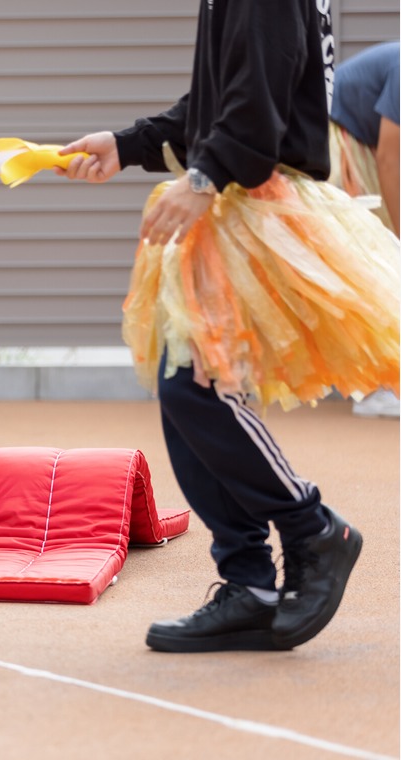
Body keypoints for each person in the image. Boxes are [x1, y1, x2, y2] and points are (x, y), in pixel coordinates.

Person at [56, 2, 398, 652]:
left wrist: (206, 175)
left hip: (259, 205)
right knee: (185, 391)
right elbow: (223, 99)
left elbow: (257, 98)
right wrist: (128, 144)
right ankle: (251, 584)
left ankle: (311, 528)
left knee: (196, 390)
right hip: (248, 203)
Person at [327, 41, 401, 418]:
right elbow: (390, 158)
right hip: (336, 143)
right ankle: (374, 388)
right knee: (374, 260)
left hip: (355, 143)